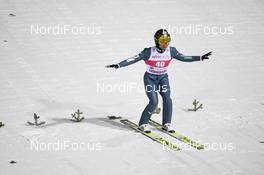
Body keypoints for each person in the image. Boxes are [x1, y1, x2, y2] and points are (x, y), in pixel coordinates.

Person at [106, 29, 211, 133]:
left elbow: (184, 57)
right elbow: (133, 59)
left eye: (168, 40)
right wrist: (119, 64)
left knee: (167, 99)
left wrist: (200, 57)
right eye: (162, 41)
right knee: (154, 102)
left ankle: (167, 123)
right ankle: (143, 124)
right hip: (150, 79)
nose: (166, 44)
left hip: (163, 78)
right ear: (156, 41)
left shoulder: (172, 51)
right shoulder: (148, 52)